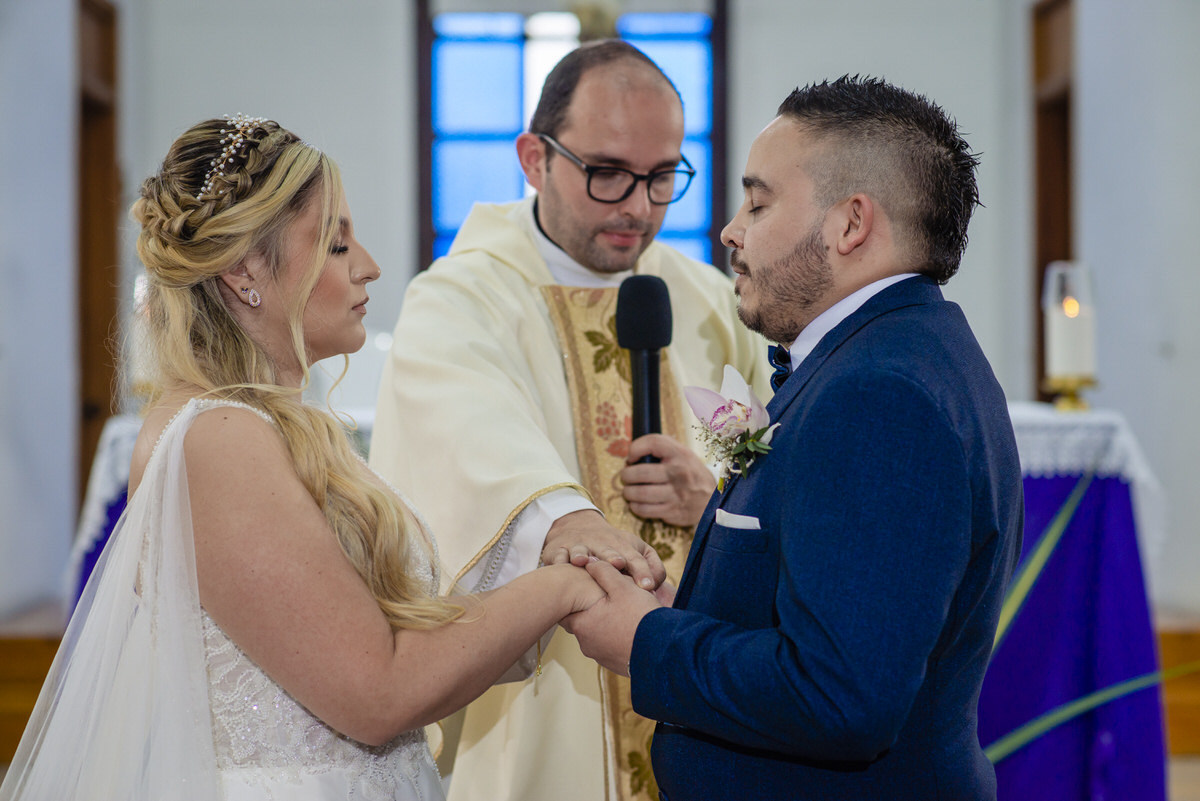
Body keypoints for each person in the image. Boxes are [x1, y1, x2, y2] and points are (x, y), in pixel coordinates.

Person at [0, 115, 604, 801]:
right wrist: (562, 588)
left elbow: (364, 648)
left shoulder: (253, 425)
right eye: (338, 243)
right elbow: (377, 690)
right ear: (245, 271)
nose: (370, 265)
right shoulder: (218, 437)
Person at [566, 75, 1025, 800]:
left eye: (758, 201)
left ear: (850, 224)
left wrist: (645, 640)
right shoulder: (902, 350)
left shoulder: (880, 395)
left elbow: (839, 696)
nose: (731, 230)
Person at [368, 40, 768, 801]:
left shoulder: (706, 299)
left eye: (662, 178)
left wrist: (714, 493)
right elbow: (465, 435)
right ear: (533, 158)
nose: (638, 207)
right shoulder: (463, 297)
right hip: (548, 690)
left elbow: (772, 450)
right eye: (607, 173)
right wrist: (564, 522)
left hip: (698, 679)